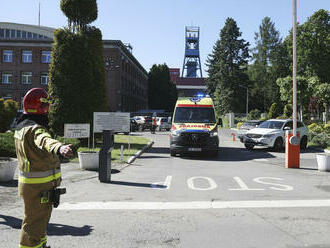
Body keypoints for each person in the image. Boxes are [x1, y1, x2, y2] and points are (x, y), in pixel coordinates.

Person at [13, 88, 73, 248]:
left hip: (33, 186)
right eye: (47, 105)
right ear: (41, 107)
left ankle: (41, 245)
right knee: (33, 225)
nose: (49, 109)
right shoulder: (35, 129)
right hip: (38, 187)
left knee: (38, 222)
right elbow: (44, 140)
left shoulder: (22, 128)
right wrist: (60, 148)